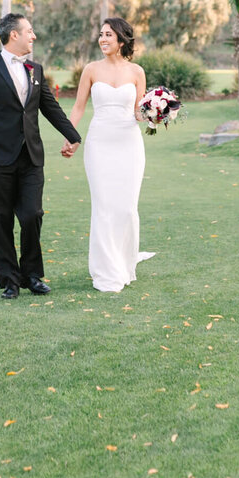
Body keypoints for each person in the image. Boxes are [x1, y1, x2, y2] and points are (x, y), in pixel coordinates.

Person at [0, 13, 82, 300]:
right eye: (29, 31)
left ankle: (32, 275)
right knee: (2, 218)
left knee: (32, 215)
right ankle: (9, 280)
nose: (34, 36)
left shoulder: (35, 69)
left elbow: (50, 108)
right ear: (13, 35)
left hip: (31, 157)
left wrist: (74, 135)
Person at [68, 17, 155, 293]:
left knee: (127, 207)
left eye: (108, 35)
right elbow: (79, 107)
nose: (103, 39)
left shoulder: (137, 72)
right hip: (99, 144)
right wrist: (71, 137)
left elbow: (139, 113)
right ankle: (106, 271)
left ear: (121, 40)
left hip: (129, 145)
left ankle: (124, 263)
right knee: (104, 207)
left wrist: (157, 112)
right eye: (101, 34)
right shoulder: (91, 70)